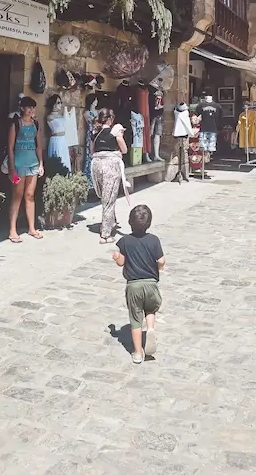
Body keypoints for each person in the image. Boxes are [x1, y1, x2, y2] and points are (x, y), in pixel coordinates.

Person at [112, 205, 165, 364]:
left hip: (133, 286)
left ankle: (137, 353)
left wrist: (116, 257)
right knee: (150, 308)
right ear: (149, 223)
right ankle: (150, 329)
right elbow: (161, 261)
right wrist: (159, 268)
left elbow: (121, 262)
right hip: (151, 284)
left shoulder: (124, 241)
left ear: (129, 222)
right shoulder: (154, 240)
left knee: (135, 320)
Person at [7, 96, 44, 243]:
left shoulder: (36, 124)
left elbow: (38, 146)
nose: (32, 110)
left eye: (33, 108)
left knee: (30, 195)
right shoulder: (16, 124)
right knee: (17, 195)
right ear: (22, 108)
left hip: (32, 164)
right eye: (29, 107)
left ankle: (32, 228)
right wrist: (11, 168)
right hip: (18, 165)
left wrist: (41, 164)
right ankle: (12, 230)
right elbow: (10, 147)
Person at [91, 108, 128, 244]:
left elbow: (91, 150)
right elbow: (124, 149)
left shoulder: (94, 132)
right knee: (109, 199)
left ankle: (110, 221)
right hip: (110, 165)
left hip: (96, 164)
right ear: (110, 119)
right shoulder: (115, 132)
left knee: (104, 197)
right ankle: (105, 234)